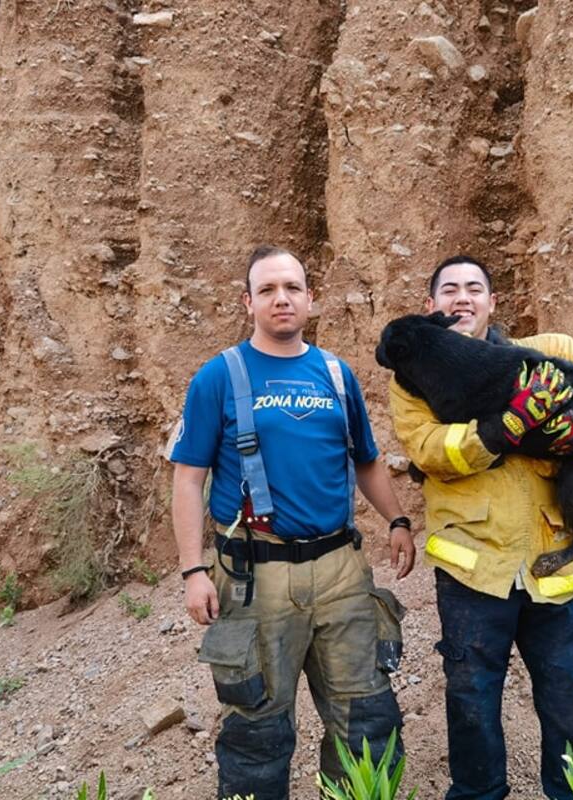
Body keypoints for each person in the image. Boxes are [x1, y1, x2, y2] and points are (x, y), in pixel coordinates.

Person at [387, 255, 573, 800]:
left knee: (570, 703)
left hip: (555, 569)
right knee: (471, 704)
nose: (463, 298)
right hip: (474, 574)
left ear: (492, 303)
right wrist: (505, 427)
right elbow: (428, 450)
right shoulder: (413, 385)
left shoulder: (546, 349)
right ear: (432, 306)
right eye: (450, 290)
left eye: (475, 289)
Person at [169, 245, 416, 800]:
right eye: (267, 290)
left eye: (292, 288)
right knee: (257, 730)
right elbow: (188, 479)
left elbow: (366, 460)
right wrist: (192, 571)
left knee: (368, 723)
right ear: (248, 302)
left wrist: (398, 518)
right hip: (258, 580)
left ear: (310, 298)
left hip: (340, 574)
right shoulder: (217, 377)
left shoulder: (335, 373)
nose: (281, 299)